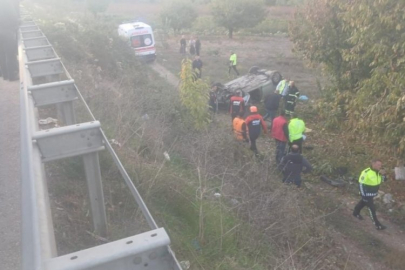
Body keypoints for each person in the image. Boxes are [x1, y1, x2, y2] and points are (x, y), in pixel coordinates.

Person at [353, 159, 387, 230]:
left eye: (381, 165)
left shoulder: (378, 172)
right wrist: (363, 195)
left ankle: (355, 213)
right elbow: (361, 184)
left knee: (362, 203)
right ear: (373, 164)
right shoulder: (366, 172)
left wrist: (383, 175)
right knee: (372, 209)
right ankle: (377, 225)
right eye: (378, 165)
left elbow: (383, 180)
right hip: (366, 194)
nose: (380, 167)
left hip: (372, 194)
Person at [0, 0, 19, 81]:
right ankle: (12, 75)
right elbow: (14, 17)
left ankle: (5, 75)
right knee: (10, 54)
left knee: (2, 54)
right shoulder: (7, 2)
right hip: (7, 31)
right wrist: (19, 22)